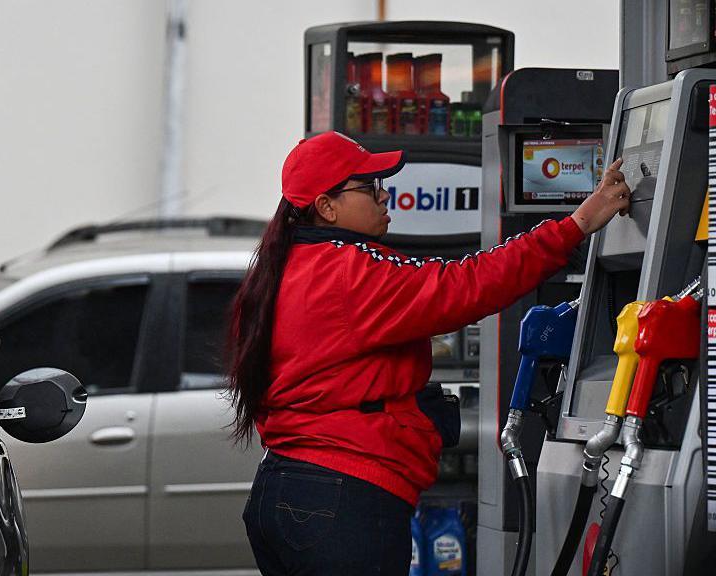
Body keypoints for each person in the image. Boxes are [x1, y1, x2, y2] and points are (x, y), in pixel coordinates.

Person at [227, 131, 630, 575]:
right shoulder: (349, 272)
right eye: (369, 187)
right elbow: (468, 284)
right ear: (326, 206)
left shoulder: (285, 266)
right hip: (343, 500)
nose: (385, 195)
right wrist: (577, 225)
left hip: (281, 490)